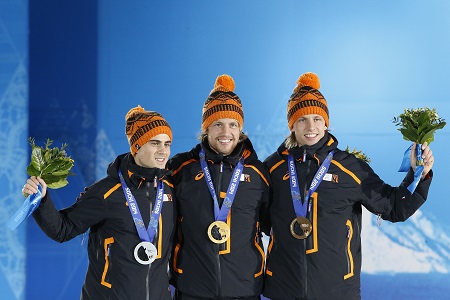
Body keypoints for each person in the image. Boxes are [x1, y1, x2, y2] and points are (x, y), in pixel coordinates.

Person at [262, 72, 434, 300]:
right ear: (292, 125)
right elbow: (256, 219)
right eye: (302, 119)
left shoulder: (349, 168)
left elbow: (393, 207)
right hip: (282, 291)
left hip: (337, 291)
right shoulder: (272, 168)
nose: (310, 126)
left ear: (326, 123)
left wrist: (418, 175)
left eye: (317, 118)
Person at [21, 106, 176, 299]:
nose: (163, 151)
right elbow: (62, 229)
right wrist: (42, 200)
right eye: (155, 143)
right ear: (136, 147)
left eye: (167, 144)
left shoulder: (171, 190)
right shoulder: (106, 193)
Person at [168, 74, 270, 299]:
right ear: (206, 128)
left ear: (240, 129)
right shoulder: (180, 168)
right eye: (218, 124)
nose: (226, 133)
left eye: (233, 125)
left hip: (244, 288)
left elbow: (274, 222)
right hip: (192, 287)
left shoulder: (257, 172)